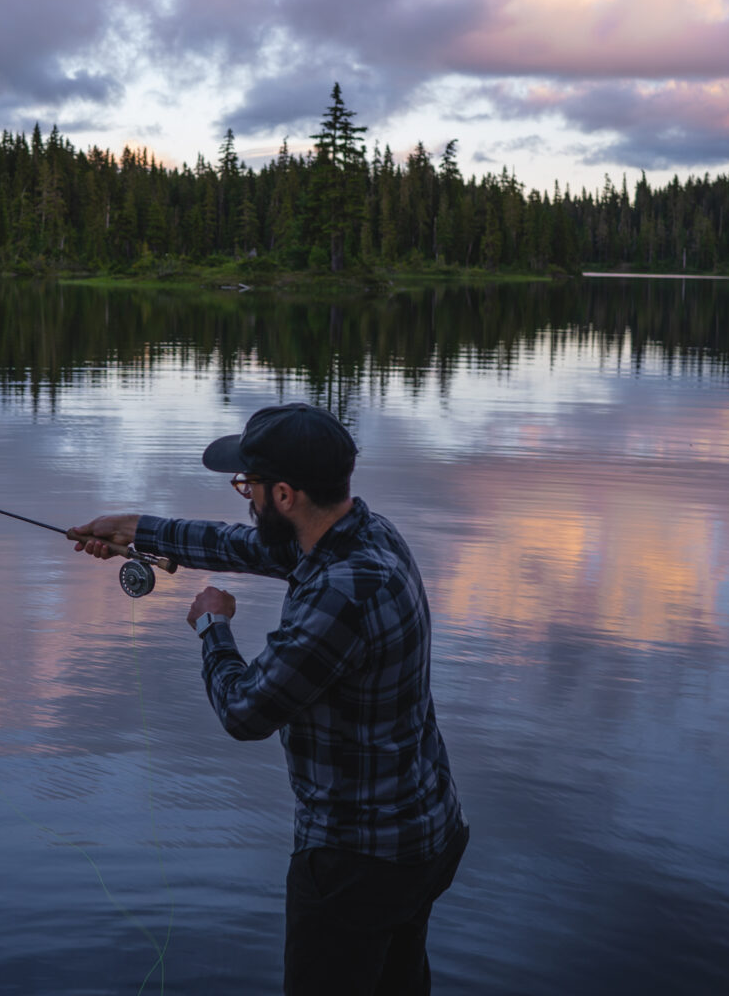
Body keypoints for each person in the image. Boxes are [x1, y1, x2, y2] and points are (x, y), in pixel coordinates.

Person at [68, 403, 468, 996]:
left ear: (284, 495)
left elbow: (246, 711)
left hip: (354, 862)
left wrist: (212, 627)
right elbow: (246, 546)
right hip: (425, 835)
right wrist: (136, 529)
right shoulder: (364, 533)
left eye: (247, 487)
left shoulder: (340, 595)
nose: (245, 500)